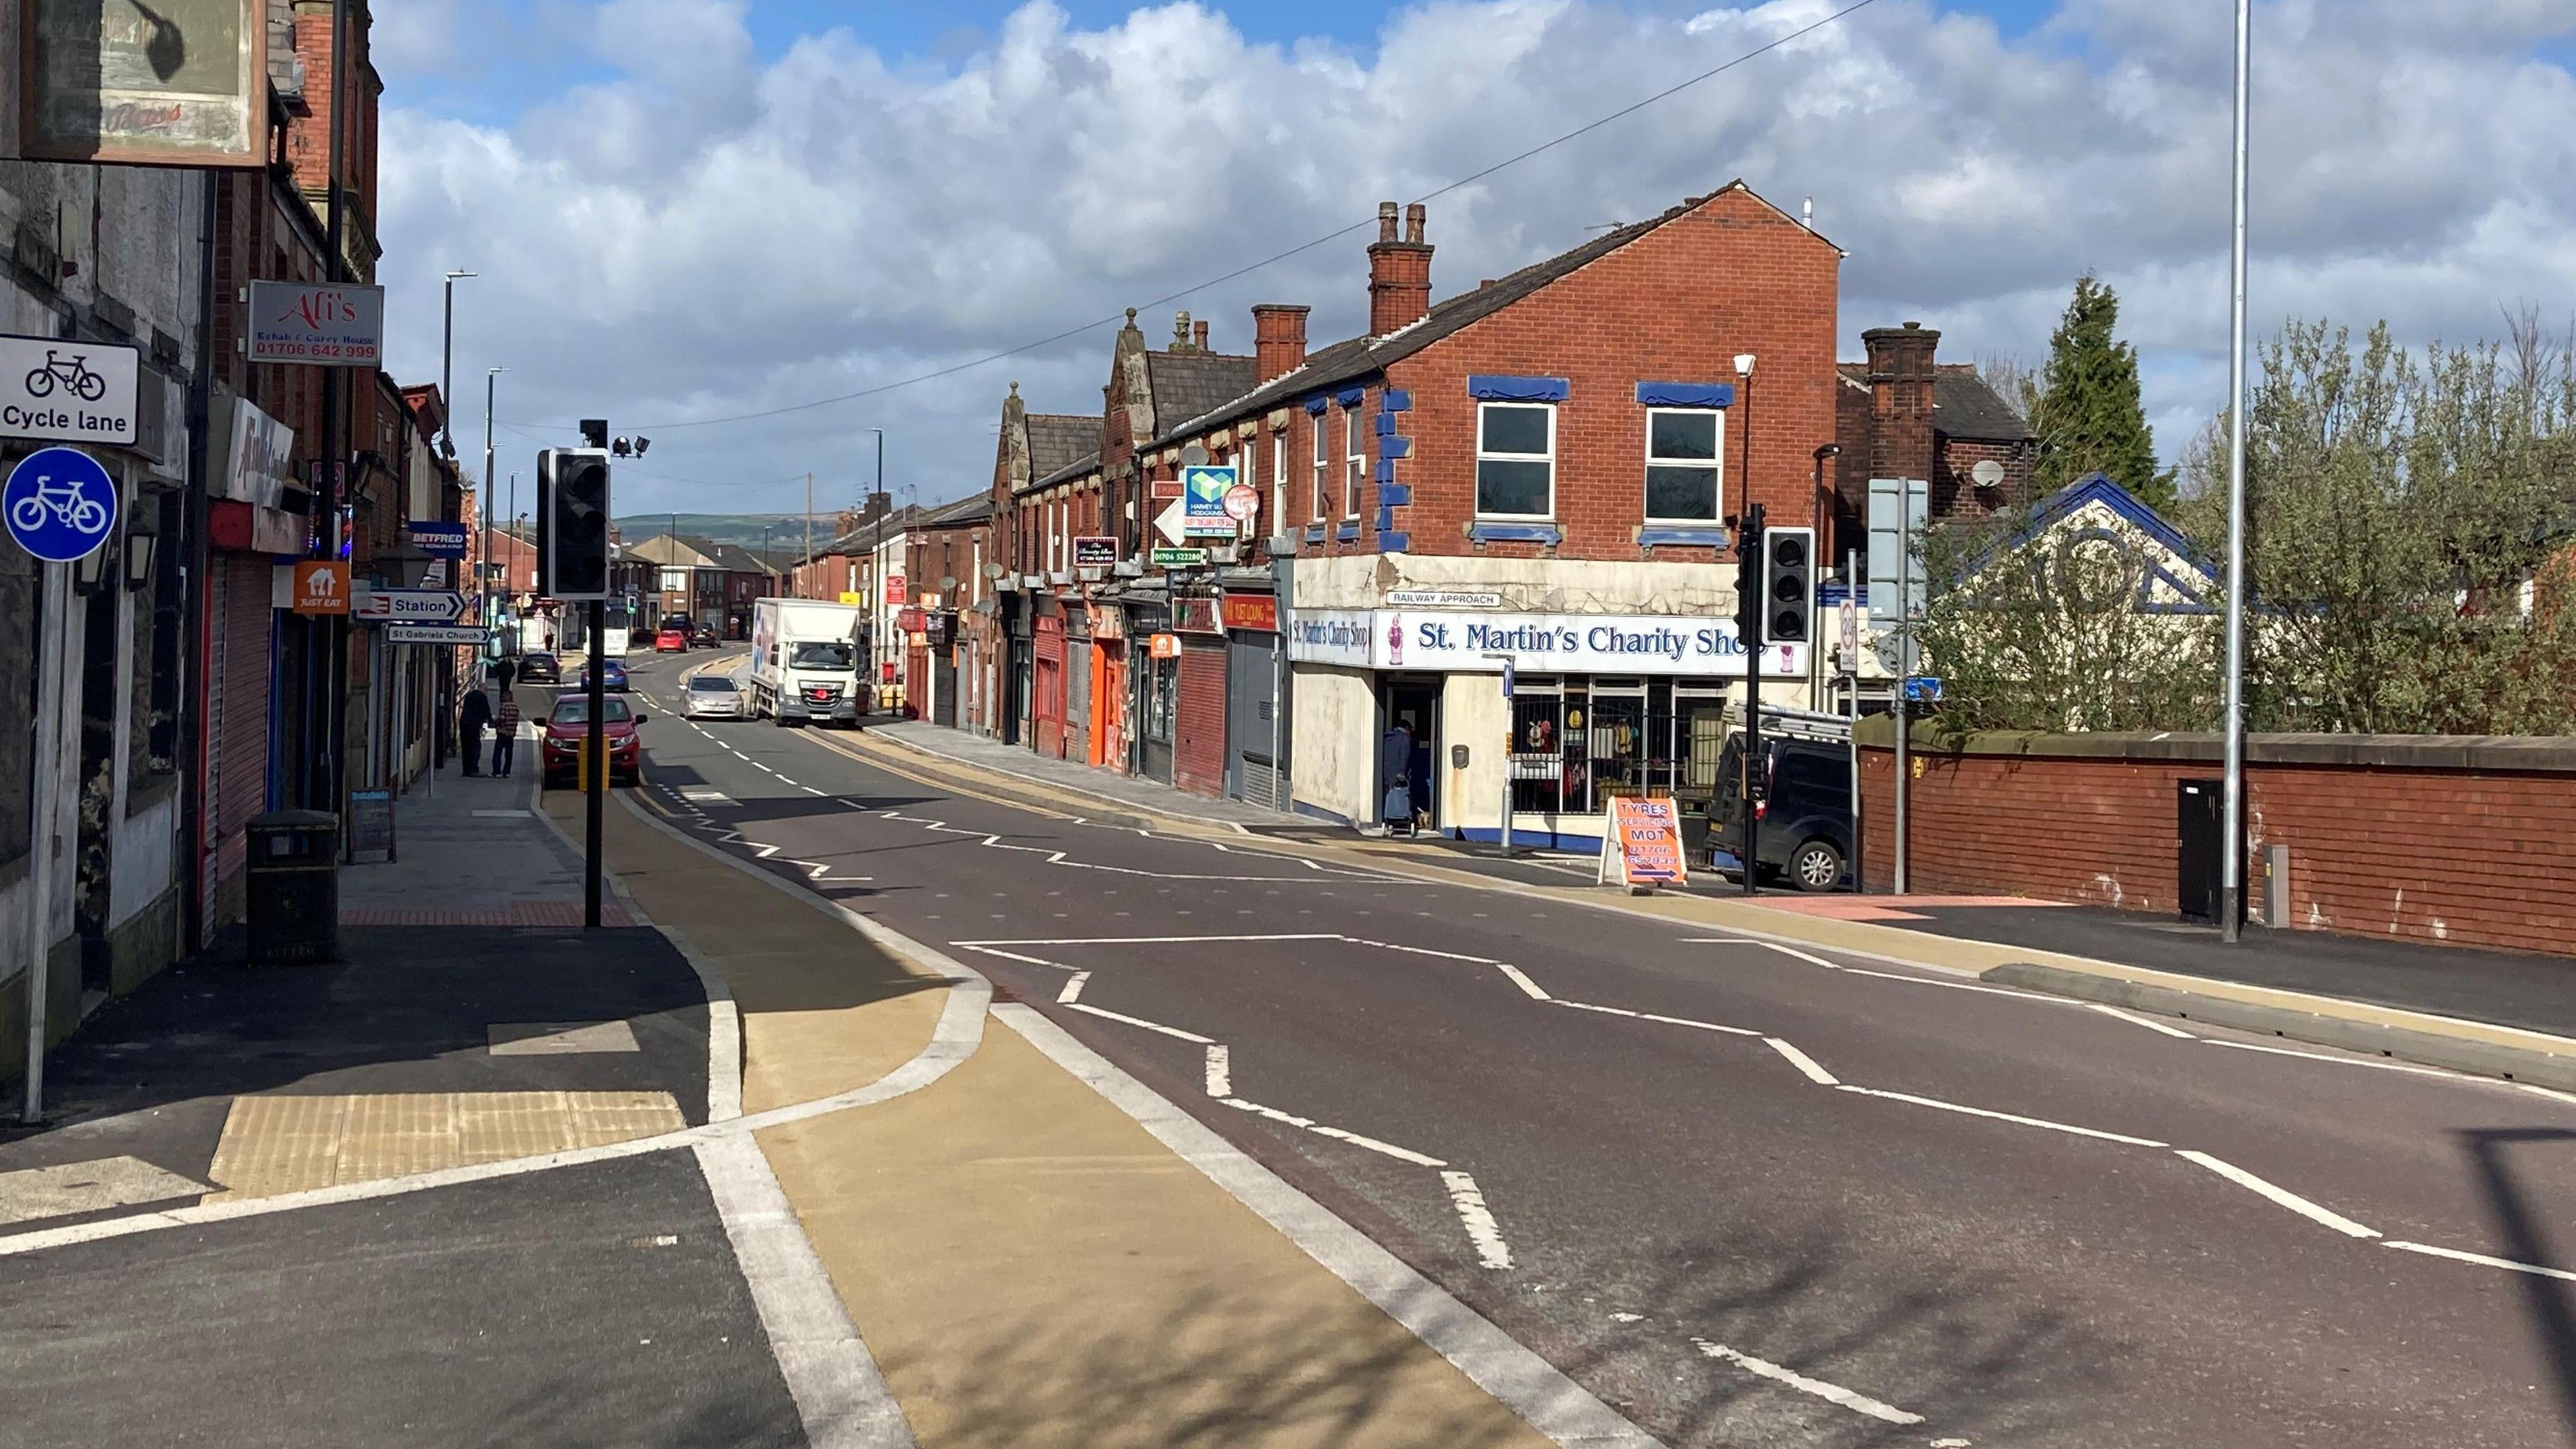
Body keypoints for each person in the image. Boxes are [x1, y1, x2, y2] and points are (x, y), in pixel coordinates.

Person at [1379, 718, 1415, 837]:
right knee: (1402, 795)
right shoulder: (1404, 739)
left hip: (1385, 773)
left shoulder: (1385, 737)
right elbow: (1404, 757)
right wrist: (1402, 773)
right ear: (1407, 729)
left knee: (1388, 797)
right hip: (1399, 775)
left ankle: (1388, 818)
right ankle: (1402, 819)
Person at [458, 685, 491, 777]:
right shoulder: (482, 697)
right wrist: (491, 722)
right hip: (474, 725)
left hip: (464, 723)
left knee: (466, 748)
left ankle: (466, 770)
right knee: (475, 747)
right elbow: (486, 710)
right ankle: (473, 769)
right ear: (484, 689)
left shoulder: (469, 695)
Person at [491, 687, 522, 778]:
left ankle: (497, 772)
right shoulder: (515, 708)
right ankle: (507, 771)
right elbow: (516, 722)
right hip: (511, 734)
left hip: (502, 733)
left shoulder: (504, 706)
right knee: (509, 754)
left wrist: (495, 722)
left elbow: (502, 719)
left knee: (498, 753)